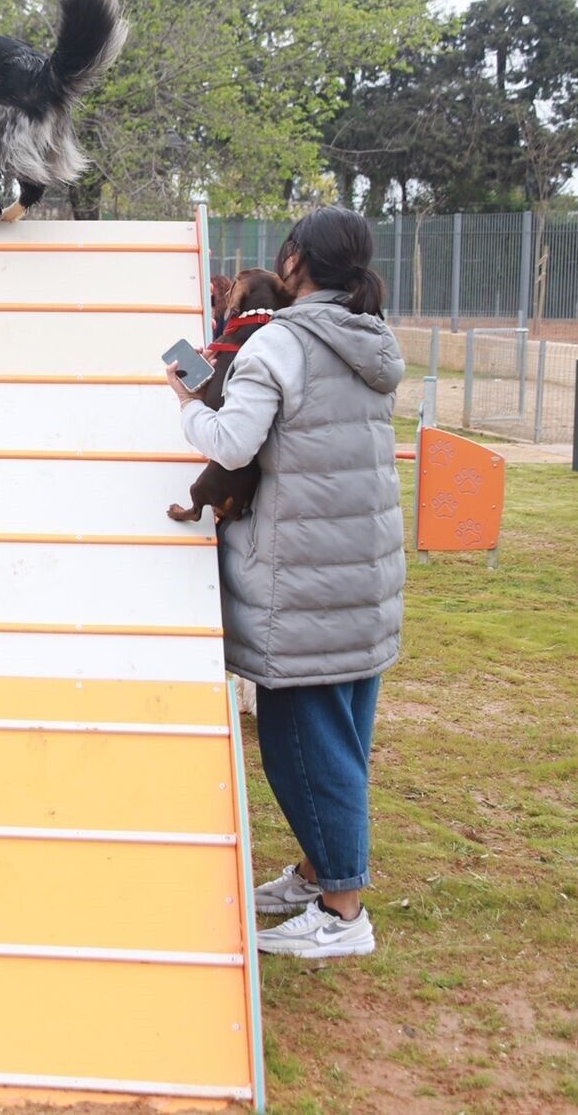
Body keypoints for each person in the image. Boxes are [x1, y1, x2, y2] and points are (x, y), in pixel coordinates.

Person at [169, 206, 404, 959]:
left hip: (303, 576)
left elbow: (234, 441)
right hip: (362, 570)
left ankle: (342, 914)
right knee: (343, 738)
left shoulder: (280, 343)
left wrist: (186, 406)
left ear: (295, 260)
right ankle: (318, 871)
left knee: (305, 747)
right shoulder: (372, 337)